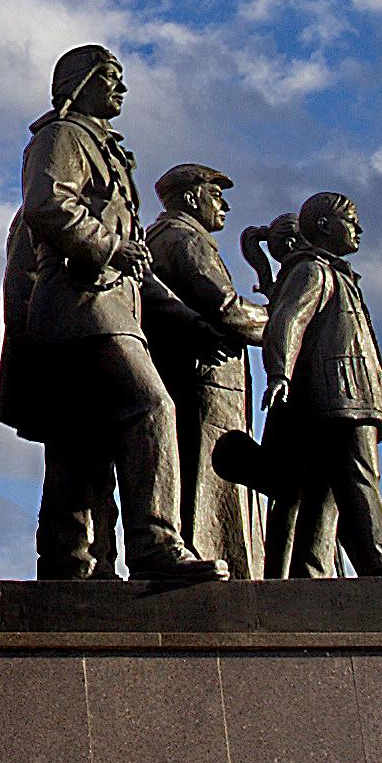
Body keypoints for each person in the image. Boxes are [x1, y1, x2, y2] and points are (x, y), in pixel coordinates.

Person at [0, 44, 202, 583]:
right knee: (150, 407)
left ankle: (72, 568)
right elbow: (47, 206)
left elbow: (137, 264)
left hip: (103, 309)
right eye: (110, 77)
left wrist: (193, 324)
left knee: (78, 447)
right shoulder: (63, 136)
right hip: (82, 309)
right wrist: (107, 247)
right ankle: (155, 545)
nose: (122, 88)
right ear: (78, 83)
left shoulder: (104, 149)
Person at [253, 191, 382, 579]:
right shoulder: (311, 270)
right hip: (338, 397)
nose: (359, 229)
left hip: (351, 397)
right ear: (323, 225)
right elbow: (288, 321)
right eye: (351, 219)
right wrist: (279, 373)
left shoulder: (337, 274)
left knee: (326, 491)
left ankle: (311, 571)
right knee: (359, 476)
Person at [140, 161, 270, 579]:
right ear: (192, 197)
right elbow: (228, 309)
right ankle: (214, 561)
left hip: (187, 376)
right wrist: (284, 321)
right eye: (216, 194)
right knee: (211, 479)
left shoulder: (159, 237)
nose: (225, 206)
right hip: (205, 380)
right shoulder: (184, 238)